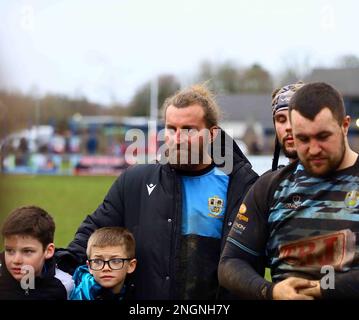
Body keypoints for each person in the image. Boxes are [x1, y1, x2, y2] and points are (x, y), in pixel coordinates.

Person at [56, 84, 258, 299]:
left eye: (189, 129)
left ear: (212, 134)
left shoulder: (240, 187)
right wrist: (57, 273)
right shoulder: (135, 181)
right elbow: (92, 231)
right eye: (171, 129)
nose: (178, 138)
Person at [218, 82, 359, 299]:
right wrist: (270, 291)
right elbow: (231, 264)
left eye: (323, 136)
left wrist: (321, 289)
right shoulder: (270, 187)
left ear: (345, 125)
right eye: (303, 138)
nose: (313, 149)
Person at [0, 206, 74, 300]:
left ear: (48, 251)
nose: (16, 260)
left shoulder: (64, 285)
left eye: (27, 251)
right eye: (10, 250)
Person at [70, 227, 137, 300]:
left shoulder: (134, 290)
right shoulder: (82, 295)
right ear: (89, 266)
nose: (106, 268)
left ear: (131, 266)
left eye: (115, 261)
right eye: (98, 261)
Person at [271, 81, 305, 170]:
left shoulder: (337, 180)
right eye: (281, 120)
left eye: (295, 118)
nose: (288, 127)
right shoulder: (269, 181)